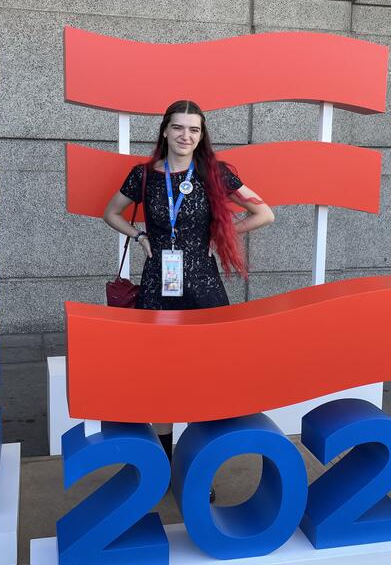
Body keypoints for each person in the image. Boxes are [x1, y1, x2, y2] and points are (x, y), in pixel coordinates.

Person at [102, 99, 275, 500]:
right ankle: (162, 465)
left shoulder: (215, 173)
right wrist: (139, 236)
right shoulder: (143, 176)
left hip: (204, 288)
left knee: (207, 376)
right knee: (159, 376)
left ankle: (198, 467)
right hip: (157, 286)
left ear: (202, 135)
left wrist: (223, 236)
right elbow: (111, 213)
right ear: (165, 131)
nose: (186, 136)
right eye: (178, 128)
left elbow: (264, 212)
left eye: (194, 130)